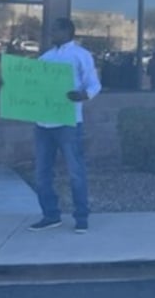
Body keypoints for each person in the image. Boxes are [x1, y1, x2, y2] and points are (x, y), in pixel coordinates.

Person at [28, 17, 102, 234]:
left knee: (75, 172)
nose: (51, 34)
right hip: (43, 124)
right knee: (42, 173)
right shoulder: (45, 57)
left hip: (69, 123)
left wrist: (83, 95)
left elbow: (94, 84)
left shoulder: (81, 55)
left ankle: (81, 217)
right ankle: (50, 215)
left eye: (55, 30)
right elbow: (33, 84)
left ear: (67, 31)